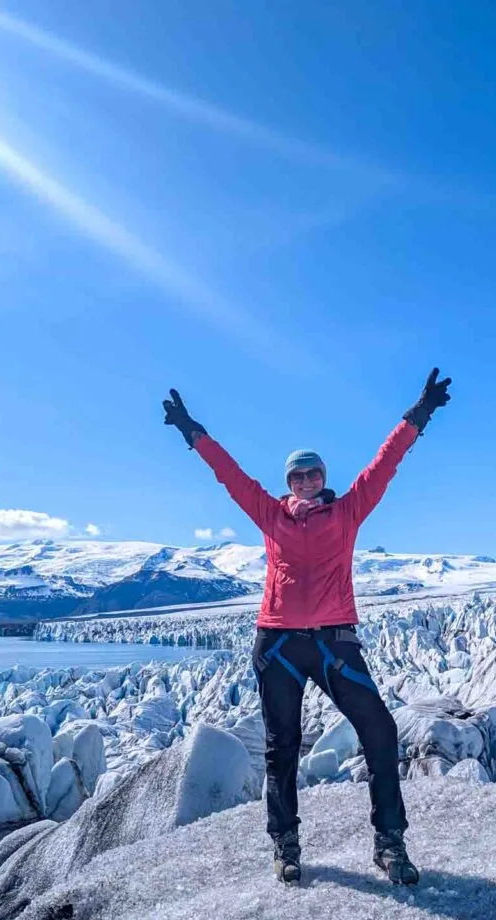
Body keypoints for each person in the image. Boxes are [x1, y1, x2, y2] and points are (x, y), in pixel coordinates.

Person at [163, 368, 452, 885]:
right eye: (297, 476)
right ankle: (286, 845)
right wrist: (192, 431)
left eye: (312, 474)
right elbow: (229, 474)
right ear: (288, 483)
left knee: (380, 734)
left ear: (323, 478)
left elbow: (385, 463)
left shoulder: (347, 512)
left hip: (335, 643)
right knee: (282, 747)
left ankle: (390, 844)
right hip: (277, 647)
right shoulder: (270, 515)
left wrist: (419, 413)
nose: (305, 482)